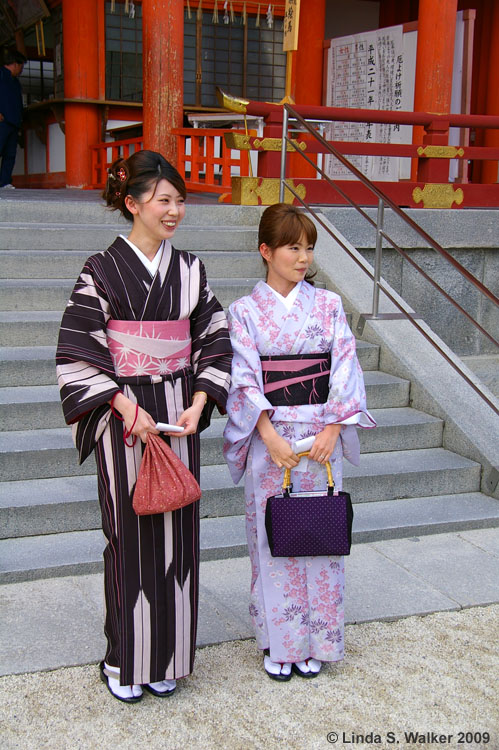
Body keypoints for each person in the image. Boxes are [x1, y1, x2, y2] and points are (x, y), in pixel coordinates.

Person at [56, 150, 232, 703]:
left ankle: (170, 657)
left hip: (178, 413)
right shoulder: (100, 270)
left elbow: (214, 336)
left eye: (180, 201)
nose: (174, 210)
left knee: (180, 532)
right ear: (132, 204)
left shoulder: (191, 270)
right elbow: (78, 351)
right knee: (130, 535)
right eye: (163, 200)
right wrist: (129, 410)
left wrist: (201, 400)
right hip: (123, 415)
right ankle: (125, 657)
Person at [223, 203, 375, 681]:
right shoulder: (244, 313)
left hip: (321, 436)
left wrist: (333, 428)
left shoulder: (328, 306)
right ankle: (279, 642)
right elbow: (244, 379)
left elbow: (345, 366)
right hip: (273, 440)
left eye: (308, 247)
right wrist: (266, 435)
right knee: (273, 540)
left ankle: (318, 642)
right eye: (293, 247)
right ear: (266, 251)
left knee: (321, 535)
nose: (303, 256)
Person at [0, 48, 26, 189]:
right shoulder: (1, 75)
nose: (21, 70)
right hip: (2, 121)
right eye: (21, 66)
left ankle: (4, 182)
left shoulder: (16, 82)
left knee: (10, 154)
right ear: (15, 64)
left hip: (14, 121)